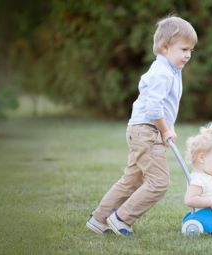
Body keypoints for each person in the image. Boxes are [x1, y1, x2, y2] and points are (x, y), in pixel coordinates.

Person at [86, 15, 196, 236]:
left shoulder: (171, 70)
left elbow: (163, 105)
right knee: (159, 183)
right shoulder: (162, 73)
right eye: (184, 49)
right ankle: (121, 218)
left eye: (191, 50)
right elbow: (154, 109)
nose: (188, 55)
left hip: (143, 130)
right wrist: (164, 129)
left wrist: (169, 128)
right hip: (147, 132)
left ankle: (99, 219)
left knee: (132, 180)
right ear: (164, 47)